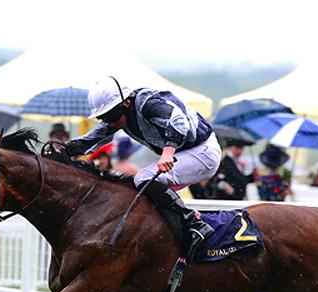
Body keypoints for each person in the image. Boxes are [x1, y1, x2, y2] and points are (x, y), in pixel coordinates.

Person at [64, 76, 221, 260]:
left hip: (203, 151)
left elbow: (178, 121)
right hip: (187, 153)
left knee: (143, 178)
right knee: (135, 190)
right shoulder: (120, 115)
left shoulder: (149, 103)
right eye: (103, 117)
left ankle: (195, 224)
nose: (110, 122)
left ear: (127, 103)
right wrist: (64, 150)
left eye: (111, 116)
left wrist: (168, 152)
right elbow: (94, 138)